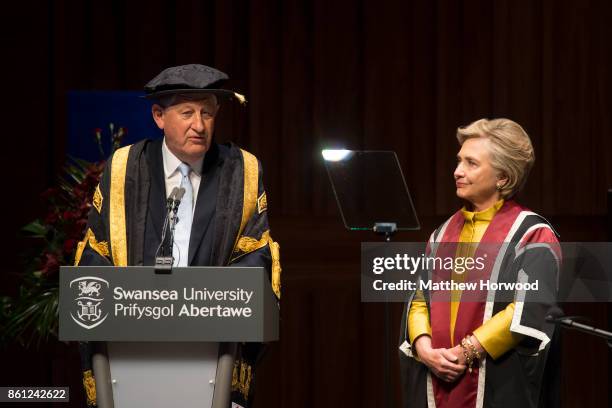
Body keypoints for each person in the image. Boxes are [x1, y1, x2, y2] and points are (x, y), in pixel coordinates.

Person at [74, 64, 281, 408]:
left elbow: (255, 253)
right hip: (133, 352)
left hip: (213, 353)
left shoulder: (241, 169)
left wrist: (202, 303)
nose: (199, 125)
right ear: (159, 116)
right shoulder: (125, 168)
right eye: (187, 113)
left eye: (207, 113)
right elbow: (98, 251)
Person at [399, 118, 560, 408]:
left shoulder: (533, 234)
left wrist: (467, 350)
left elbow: (526, 310)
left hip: (497, 384)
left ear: (503, 177)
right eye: (459, 161)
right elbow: (420, 300)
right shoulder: (442, 234)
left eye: (472, 163)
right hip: (435, 377)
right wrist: (423, 348)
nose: (457, 172)